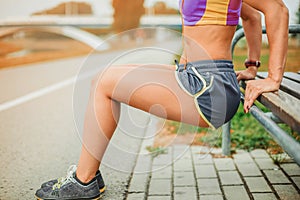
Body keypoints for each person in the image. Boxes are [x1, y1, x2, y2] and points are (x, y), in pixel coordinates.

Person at [35, 0, 289, 199]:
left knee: (105, 83)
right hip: (200, 78)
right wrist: (252, 66)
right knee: (104, 77)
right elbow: (250, 16)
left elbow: (276, 9)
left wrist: (272, 78)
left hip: (208, 89)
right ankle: (88, 175)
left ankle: (83, 181)